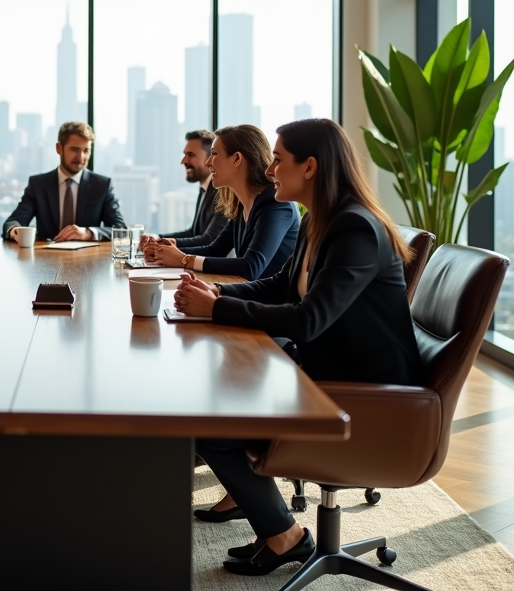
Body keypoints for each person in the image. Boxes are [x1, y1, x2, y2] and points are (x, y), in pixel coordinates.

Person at [173, 118, 423, 577]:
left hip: (367, 397)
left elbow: (309, 319)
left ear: (310, 167)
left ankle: (285, 536)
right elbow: (277, 288)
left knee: (215, 426)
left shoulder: (354, 230)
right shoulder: (320, 222)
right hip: (330, 372)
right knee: (214, 401)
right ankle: (278, 533)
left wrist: (217, 310)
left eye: (278, 159)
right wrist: (218, 296)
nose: (270, 169)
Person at [143, 125, 298, 280]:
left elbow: (251, 266)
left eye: (215, 154)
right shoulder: (239, 204)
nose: (208, 162)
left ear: (237, 159)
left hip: (271, 302)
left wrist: (184, 260)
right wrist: (164, 250)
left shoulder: (276, 204)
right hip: (248, 296)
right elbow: (215, 249)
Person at [2, 121, 126, 242]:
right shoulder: (38, 185)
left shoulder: (102, 186)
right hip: (45, 259)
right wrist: (16, 232)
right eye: (74, 149)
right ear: (59, 148)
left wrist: (88, 233)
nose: (81, 157)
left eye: (86, 151)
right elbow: (13, 222)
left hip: (88, 260)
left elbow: (121, 230)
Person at [150, 129, 227, 248]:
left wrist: (163, 246)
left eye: (190, 155)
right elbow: (193, 233)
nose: (184, 161)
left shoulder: (223, 192)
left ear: (210, 158)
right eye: (184, 155)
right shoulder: (204, 189)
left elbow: (209, 239)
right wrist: (157, 238)